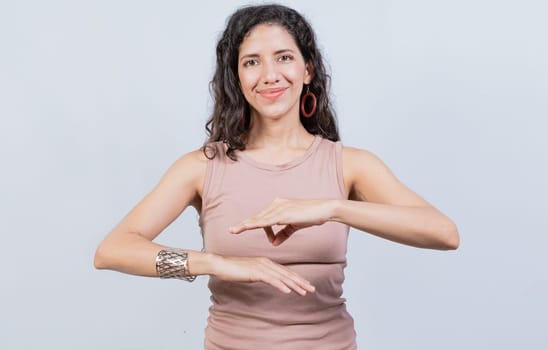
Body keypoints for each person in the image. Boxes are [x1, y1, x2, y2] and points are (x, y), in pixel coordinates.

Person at [94, 4, 459, 349]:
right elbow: (112, 251)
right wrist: (213, 262)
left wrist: (331, 208)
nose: (270, 75)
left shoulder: (350, 165)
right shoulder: (202, 167)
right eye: (252, 62)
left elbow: (444, 233)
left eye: (284, 57)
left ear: (307, 70)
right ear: (236, 77)